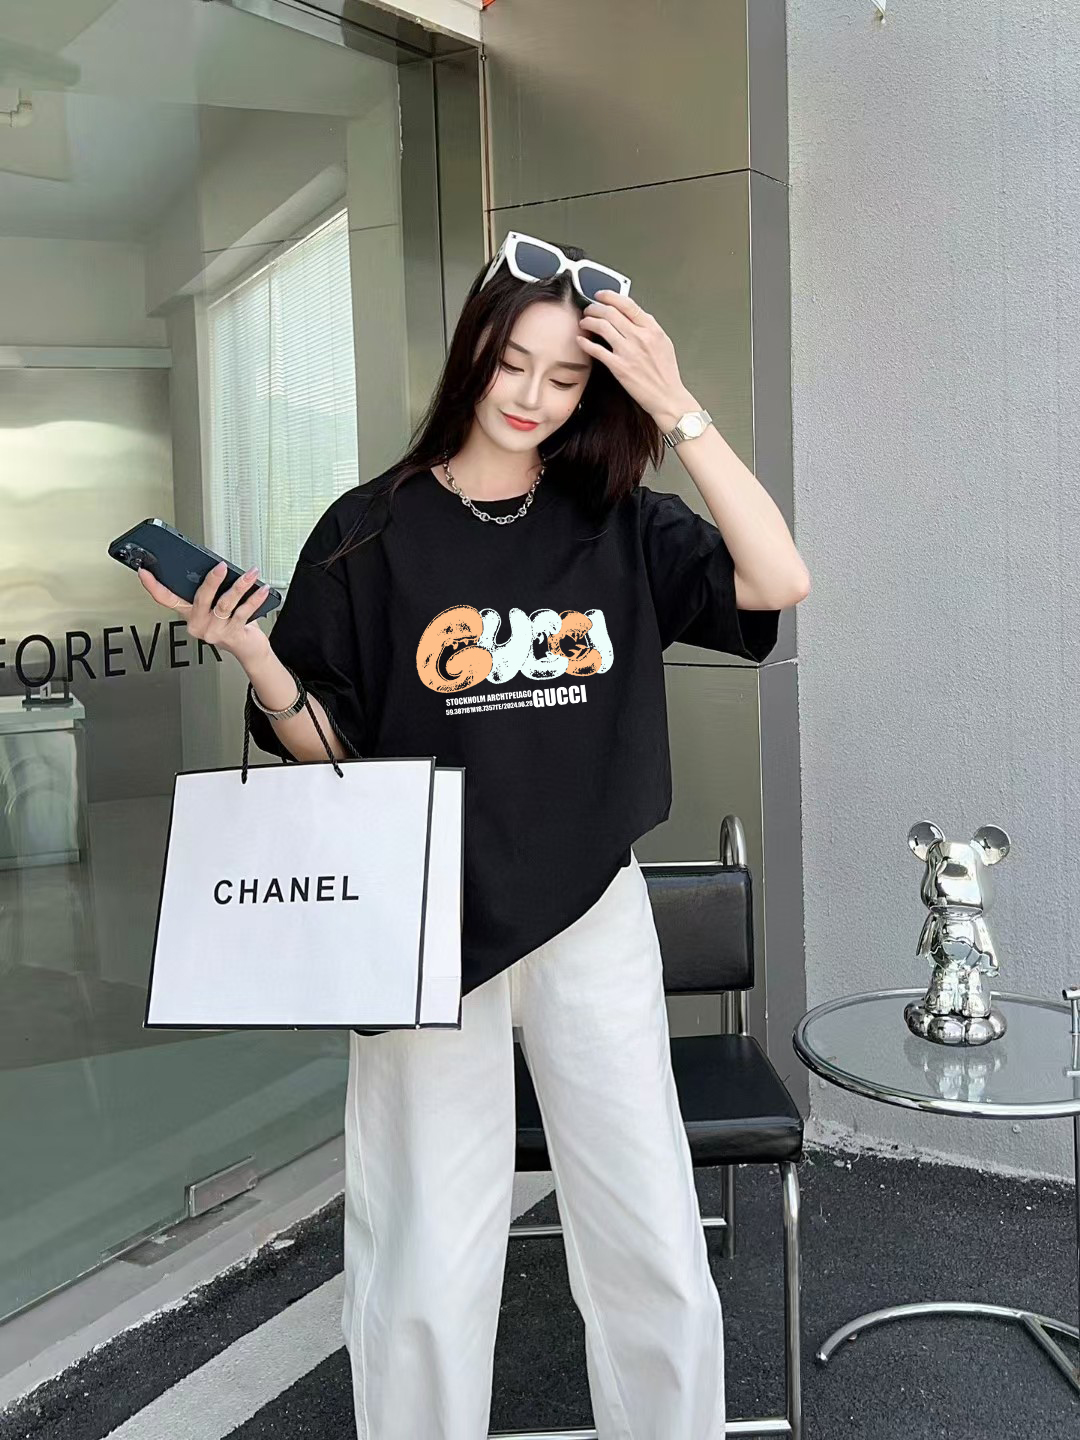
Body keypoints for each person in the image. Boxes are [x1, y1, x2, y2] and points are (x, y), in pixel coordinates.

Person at [139, 230, 810, 1439]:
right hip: (420, 921)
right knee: (424, 1249)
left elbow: (778, 581)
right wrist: (254, 656)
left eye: (568, 377)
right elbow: (335, 760)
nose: (533, 396)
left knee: (648, 1228)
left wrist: (679, 407)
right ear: (472, 354)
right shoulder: (368, 531)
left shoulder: (618, 520)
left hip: (588, 906)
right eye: (513, 364)